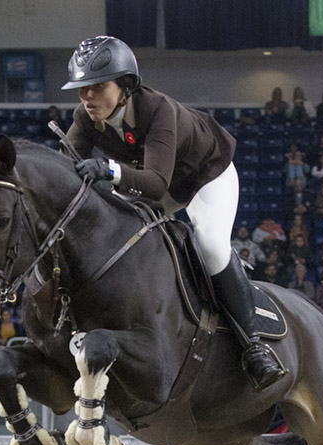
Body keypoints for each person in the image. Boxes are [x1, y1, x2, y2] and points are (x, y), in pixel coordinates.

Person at [62, 35, 283, 389]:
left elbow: (154, 183)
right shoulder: (84, 118)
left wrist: (108, 171)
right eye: (82, 88)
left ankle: (253, 347)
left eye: (97, 86)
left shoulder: (157, 109)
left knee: (209, 243)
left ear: (125, 86)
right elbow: (66, 172)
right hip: (154, 181)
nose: (87, 97)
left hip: (206, 175)